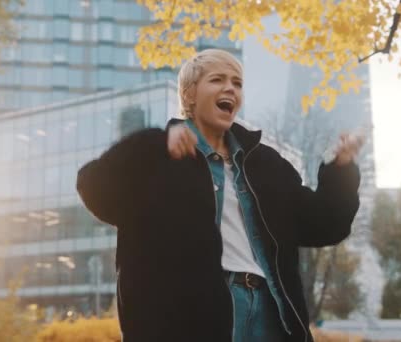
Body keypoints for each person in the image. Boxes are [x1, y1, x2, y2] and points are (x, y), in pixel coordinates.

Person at [77, 49, 363, 342]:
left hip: (271, 313)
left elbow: (324, 224)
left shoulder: (265, 164)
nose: (230, 88)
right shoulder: (159, 159)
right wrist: (153, 143)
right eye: (217, 80)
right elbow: (94, 188)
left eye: (237, 83)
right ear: (189, 95)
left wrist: (340, 170)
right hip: (191, 318)